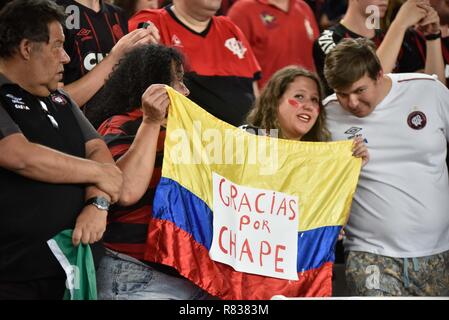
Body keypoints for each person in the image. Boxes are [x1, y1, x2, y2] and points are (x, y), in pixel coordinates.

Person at [0, 0, 123, 299]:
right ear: (27, 48)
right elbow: (20, 156)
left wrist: (98, 205)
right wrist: (102, 174)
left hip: (74, 275)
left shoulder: (60, 98)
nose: (66, 58)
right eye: (57, 46)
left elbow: (98, 150)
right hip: (16, 278)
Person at [323, 37, 449, 296]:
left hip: (439, 251)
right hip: (370, 254)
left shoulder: (429, 91)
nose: (352, 103)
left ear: (380, 74)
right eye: (342, 94)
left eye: (360, 91)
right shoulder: (328, 114)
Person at [90, 44, 209, 300]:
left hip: (193, 277)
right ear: (153, 86)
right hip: (135, 274)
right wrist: (152, 121)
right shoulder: (121, 124)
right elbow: (124, 191)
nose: (186, 91)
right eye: (177, 81)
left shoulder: (190, 134)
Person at [128, 0, 261, 127]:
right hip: (182, 143)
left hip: (241, 142)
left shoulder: (230, 28)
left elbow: (254, 95)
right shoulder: (151, 22)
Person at [314, 0, 446, 94]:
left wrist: (432, 37)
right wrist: (399, 24)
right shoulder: (329, 39)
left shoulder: (401, 38)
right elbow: (363, 88)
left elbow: (436, 92)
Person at [56, 0, 160, 109]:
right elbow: (54, 102)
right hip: (77, 124)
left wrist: (147, 51)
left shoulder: (118, 15)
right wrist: (114, 58)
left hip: (117, 123)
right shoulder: (55, 13)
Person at [228, 0, 320, 89]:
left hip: (306, 99)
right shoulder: (242, 10)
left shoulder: (303, 7)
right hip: (267, 101)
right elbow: (235, 67)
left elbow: (315, 60)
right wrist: (256, 102)